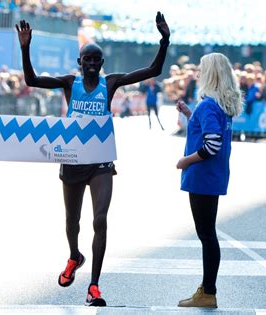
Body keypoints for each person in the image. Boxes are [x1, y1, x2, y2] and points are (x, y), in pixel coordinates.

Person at [16, 12, 170, 307]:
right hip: (73, 159)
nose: (91, 64)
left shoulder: (110, 83)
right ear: (79, 63)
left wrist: (164, 41)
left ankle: (94, 286)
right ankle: (74, 255)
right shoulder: (68, 83)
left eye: (95, 60)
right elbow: (32, 79)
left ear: (101, 64)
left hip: (101, 162)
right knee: (72, 221)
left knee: (100, 220)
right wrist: (25, 48)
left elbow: (153, 70)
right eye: (86, 60)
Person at [176, 53, 243, 308]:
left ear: (211, 74)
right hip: (214, 177)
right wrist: (189, 114)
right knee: (208, 232)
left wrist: (185, 161)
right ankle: (206, 288)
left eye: (202, 69)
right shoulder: (219, 106)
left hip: (203, 177)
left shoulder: (209, 105)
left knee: (206, 234)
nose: (198, 74)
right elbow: (209, 130)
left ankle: (208, 291)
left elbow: (211, 145)